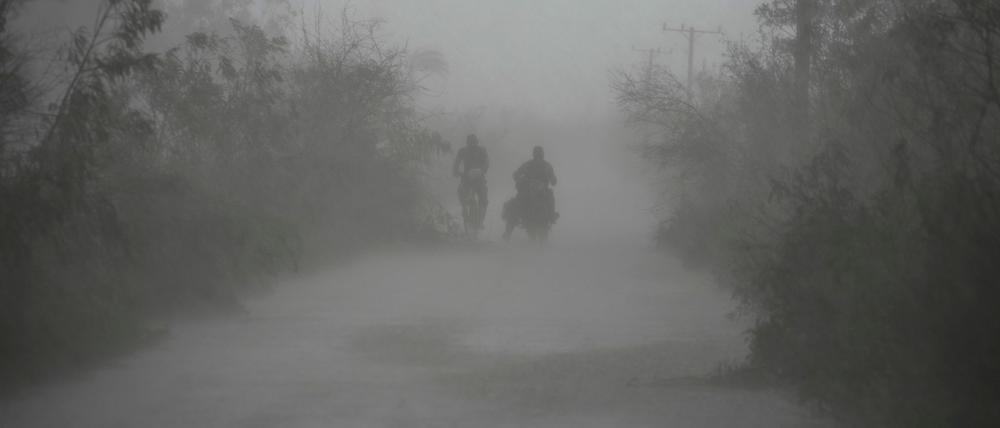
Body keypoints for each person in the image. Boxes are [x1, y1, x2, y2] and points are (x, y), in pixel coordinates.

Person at [509, 145, 557, 228]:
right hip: (528, 189)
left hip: (542, 190)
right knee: (516, 202)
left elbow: (553, 180)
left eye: (539, 155)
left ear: (542, 155)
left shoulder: (547, 166)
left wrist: (553, 180)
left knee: (550, 197)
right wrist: (518, 178)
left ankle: (551, 216)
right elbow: (516, 174)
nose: (538, 157)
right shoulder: (528, 165)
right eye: (537, 155)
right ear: (534, 155)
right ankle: (509, 230)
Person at [452, 134, 489, 226]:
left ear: (476, 142)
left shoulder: (481, 150)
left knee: (483, 199)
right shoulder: (462, 151)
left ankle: (480, 221)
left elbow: (487, 162)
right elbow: (456, 162)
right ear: (467, 142)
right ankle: (464, 209)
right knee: (461, 192)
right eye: (471, 142)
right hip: (466, 178)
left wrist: (482, 171)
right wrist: (455, 171)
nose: (472, 144)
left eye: (474, 142)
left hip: (479, 179)